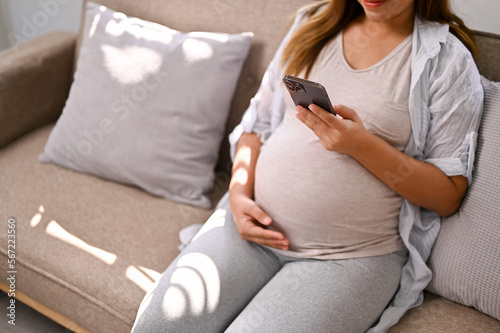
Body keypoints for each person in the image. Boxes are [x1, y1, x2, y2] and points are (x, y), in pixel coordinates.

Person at [132, 0, 483, 332]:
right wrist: (238, 196)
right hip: (250, 230)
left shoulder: (445, 61)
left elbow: (447, 195)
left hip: (349, 258)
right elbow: (256, 127)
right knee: (156, 325)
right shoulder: (312, 26)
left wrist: (362, 146)